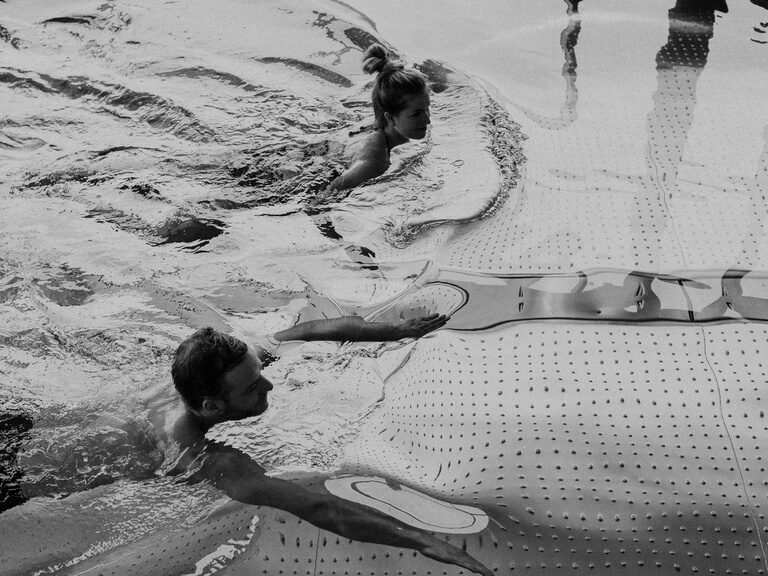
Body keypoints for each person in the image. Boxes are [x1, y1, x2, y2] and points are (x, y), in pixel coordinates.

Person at [165, 323, 491, 576]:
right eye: (253, 387)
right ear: (211, 406)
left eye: (260, 373)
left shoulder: (210, 374)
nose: (269, 385)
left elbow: (307, 332)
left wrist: (394, 331)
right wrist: (422, 540)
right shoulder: (201, 459)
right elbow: (321, 509)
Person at [327, 44, 432, 192]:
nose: (428, 120)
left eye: (427, 108)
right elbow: (329, 192)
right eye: (417, 114)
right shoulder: (375, 163)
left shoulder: (379, 123)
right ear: (390, 118)